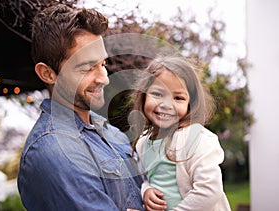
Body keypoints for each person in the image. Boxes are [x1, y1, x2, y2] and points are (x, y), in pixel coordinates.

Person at [17, 3, 144, 211]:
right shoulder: (54, 151)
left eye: (102, 64)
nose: (104, 79)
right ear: (48, 74)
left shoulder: (110, 132)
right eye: (87, 67)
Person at [130, 55, 231, 211]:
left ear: (190, 104)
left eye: (178, 98)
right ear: (143, 96)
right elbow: (147, 179)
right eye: (157, 94)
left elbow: (209, 191)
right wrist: (146, 190)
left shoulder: (197, 139)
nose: (166, 104)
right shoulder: (144, 142)